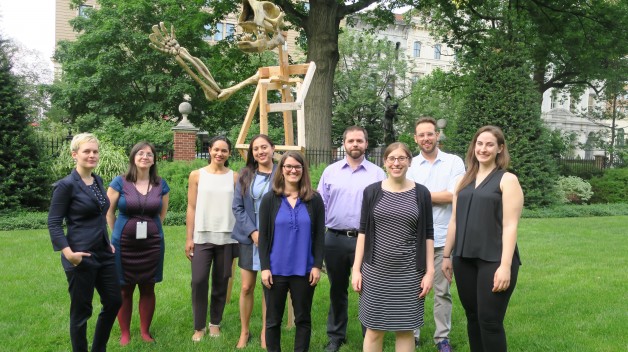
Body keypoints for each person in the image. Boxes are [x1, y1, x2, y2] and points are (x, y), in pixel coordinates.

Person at [442, 126, 523, 352]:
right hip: (464, 258)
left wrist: (505, 266)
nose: (483, 149)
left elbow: (510, 225)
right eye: (479, 143)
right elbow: (454, 221)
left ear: (500, 149)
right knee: (473, 317)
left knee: (490, 321)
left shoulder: (507, 180)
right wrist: (447, 255)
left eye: (489, 144)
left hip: (494, 259)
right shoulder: (462, 180)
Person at [352, 142, 435, 352]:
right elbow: (362, 232)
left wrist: (430, 272)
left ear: (409, 161)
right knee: (373, 329)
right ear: (385, 162)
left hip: (409, 274)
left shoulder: (421, 193)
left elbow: (428, 234)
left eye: (401, 158)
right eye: (392, 159)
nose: (396, 163)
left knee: (405, 330)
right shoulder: (372, 192)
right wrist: (356, 269)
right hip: (375, 272)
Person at [48, 133, 122, 352]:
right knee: (81, 312)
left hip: (103, 252)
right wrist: (69, 254)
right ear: (75, 155)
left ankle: (98, 349)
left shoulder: (97, 181)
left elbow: (100, 215)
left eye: (95, 151)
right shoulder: (66, 185)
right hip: (80, 256)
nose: (92, 155)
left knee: (114, 301)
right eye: (86, 151)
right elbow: (53, 222)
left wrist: (106, 241)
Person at [317, 126, 386, 352]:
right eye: (351, 141)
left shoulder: (378, 174)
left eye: (359, 141)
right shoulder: (330, 172)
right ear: (344, 144)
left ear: (366, 144)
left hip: (367, 240)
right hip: (335, 239)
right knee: (337, 289)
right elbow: (321, 206)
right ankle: (336, 336)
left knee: (369, 288)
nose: (355, 144)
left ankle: (370, 334)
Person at [406, 117, 465, 351]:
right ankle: (412, 333)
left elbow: (454, 195)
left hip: (443, 238)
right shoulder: (409, 164)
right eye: (421, 135)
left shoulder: (454, 162)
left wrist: (419, 194)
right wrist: (436, 195)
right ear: (415, 138)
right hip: (413, 239)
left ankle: (442, 338)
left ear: (437, 135)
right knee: (412, 289)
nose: (426, 139)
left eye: (430, 134)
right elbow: (402, 196)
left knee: (442, 292)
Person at [258, 151, 325, 352]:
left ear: (303, 170)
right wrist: (264, 268)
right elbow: (264, 237)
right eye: (288, 166)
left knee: (303, 319)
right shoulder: (270, 199)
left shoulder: (314, 199)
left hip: (304, 270)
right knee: (273, 320)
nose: (293, 170)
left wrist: (316, 266)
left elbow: (320, 237)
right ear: (282, 170)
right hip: (275, 270)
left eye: (297, 166)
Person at [106, 142, 170, 345]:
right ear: (133, 157)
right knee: (124, 288)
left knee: (148, 287)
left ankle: (144, 331)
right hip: (123, 244)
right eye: (141, 153)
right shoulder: (120, 182)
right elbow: (108, 211)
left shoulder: (161, 184)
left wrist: (153, 231)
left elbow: (162, 214)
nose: (145, 157)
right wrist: (116, 233)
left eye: (149, 154)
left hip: (152, 244)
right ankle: (125, 333)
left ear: (154, 159)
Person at [186, 136, 239, 342]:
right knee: (198, 280)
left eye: (224, 150)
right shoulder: (196, 175)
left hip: (227, 237)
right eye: (216, 149)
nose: (219, 154)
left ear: (229, 154)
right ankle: (199, 326)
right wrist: (189, 237)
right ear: (209, 150)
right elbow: (191, 207)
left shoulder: (234, 177)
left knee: (221, 281)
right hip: (202, 237)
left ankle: (215, 323)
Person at [232, 134, 277, 349]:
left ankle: (265, 333)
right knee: (247, 287)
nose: (260, 151)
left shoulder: (282, 173)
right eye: (256, 148)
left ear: (272, 149)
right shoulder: (245, 174)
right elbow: (237, 208)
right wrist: (253, 232)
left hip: (276, 240)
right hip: (249, 240)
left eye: (264, 147)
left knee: (269, 286)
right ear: (252, 153)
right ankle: (244, 331)